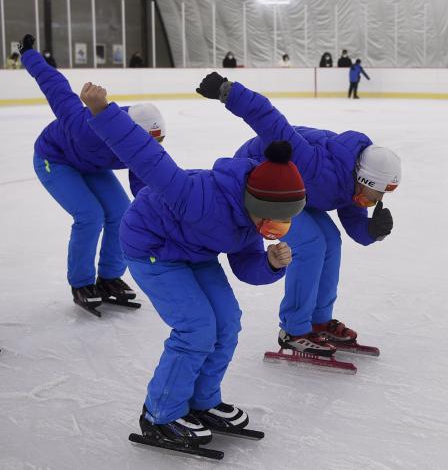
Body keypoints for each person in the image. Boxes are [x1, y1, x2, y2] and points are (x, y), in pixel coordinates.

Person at [81, 80, 304, 450]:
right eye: (271, 222)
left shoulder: (250, 221)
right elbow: (148, 159)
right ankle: (160, 414)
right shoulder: (200, 196)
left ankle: (202, 401)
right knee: (196, 327)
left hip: (195, 252)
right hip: (152, 247)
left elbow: (245, 264)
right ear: (254, 203)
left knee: (227, 320)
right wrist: (103, 112)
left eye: (282, 226)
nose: (272, 231)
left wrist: (268, 262)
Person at [196, 73, 399, 358]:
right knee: (311, 243)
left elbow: (354, 225)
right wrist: (227, 91)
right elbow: (271, 122)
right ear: (365, 180)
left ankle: (318, 321)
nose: (371, 202)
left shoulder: (353, 183)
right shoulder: (318, 164)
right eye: (375, 195)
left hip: (298, 188)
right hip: (262, 174)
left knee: (331, 239)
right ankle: (293, 329)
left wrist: (372, 231)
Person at [18, 34, 164, 316]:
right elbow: (55, 85)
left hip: (91, 165)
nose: (149, 150)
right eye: (146, 143)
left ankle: (109, 278)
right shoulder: (85, 125)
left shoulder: (140, 143)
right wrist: (28, 54)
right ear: (128, 134)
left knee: (123, 212)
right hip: (55, 159)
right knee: (89, 215)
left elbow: (143, 181)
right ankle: (81, 283)